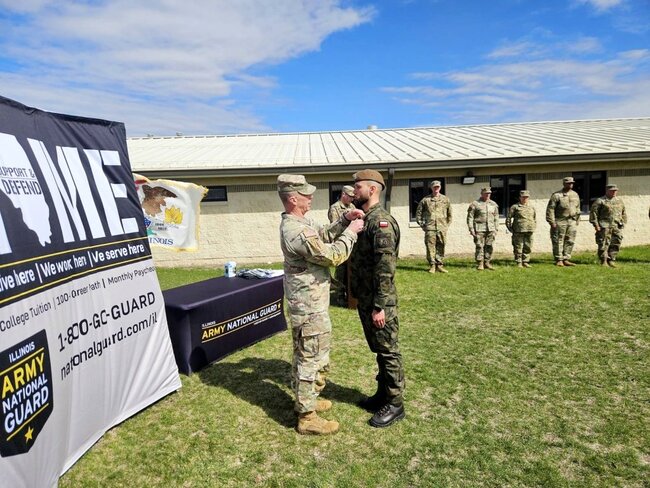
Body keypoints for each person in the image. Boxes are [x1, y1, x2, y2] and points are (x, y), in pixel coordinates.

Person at [277, 174, 365, 435]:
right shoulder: (295, 230)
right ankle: (307, 417)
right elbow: (332, 255)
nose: (311, 197)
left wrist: (344, 220)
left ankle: (307, 401)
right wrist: (351, 232)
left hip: (312, 302)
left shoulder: (302, 223)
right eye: (306, 194)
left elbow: (323, 234)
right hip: (308, 306)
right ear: (293, 199)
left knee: (308, 354)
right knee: (311, 357)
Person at [349, 169, 405, 428]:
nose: (354, 191)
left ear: (372, 190)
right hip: (367, 298)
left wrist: (379, 306)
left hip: (379, 302)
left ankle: (395, 404)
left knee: (389, 351)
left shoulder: (381, 222)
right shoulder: (366, 219)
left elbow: (385, 269)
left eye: (357, 187)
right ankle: (383, 394)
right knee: (379, 350)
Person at [415, 180, 452, 273]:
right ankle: (432, 265)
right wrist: (423, 225)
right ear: (431, 188)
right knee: (430, 246)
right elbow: (418, 213)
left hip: (442, 227)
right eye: (434, 187)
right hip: (430, 228)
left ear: (440, 187)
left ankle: (439, 265)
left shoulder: (445, 199)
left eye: (438, 187)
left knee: (441, 245)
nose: (436, 188)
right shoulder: (425, 200)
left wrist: (446, 225)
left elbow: (450, 214)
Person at [328, 185, 357, 305]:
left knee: (351, 271)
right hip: (340, 242)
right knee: (341, 271)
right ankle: (339, 295)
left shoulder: (352, 207)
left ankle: (350, 295)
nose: (351, 199)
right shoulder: (335, 208)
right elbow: (335, 227)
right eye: (350, 196)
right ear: (343, 194)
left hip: (351, 242)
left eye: (353, 197)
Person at [546, 176, 581, 267]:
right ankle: (559, 259)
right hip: (560, 221)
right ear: (564, 184)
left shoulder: (575, 195)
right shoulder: (556, 195)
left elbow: (578, 207)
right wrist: (552, 222)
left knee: (570, 240)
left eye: (572, 183)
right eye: (568, 183)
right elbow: (550, 209)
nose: (570, 185)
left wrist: (577, 219)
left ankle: (566, 258)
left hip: (572, 221)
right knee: (558, 240)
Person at [589, 184, 627, 267]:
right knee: (603, 243)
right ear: (607, 191)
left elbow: (623, 212)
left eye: (615, 191)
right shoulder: (600, 201)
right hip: (604, 226)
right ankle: (604, 260)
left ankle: (612, 259)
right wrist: (596, 225)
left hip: (616, 225)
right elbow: (593, 213)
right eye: (612, 191)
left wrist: (623, 222)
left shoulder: (619, 201)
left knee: (616, 242)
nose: (614, 192)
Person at [467, 187, 499, 270]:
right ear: (482, 194)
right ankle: (480, 263)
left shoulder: (493, 204)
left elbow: (496, 217)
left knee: (489, 246)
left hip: (490, 229)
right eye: (486, 193)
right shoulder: (475, 204)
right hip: (479, 229)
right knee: (479, 246)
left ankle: (487, 262)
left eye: (489, 193)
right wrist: (471, 229)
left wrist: (496, 229)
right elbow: (470, 218)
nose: (488, 195)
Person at [505, 190, 536, 268]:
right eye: (523, 197)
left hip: (529, 229)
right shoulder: (515, 207)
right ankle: (519, 261)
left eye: (526, 197)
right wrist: (510, 228)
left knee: (528, 246)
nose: (525, 198)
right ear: (520, 197)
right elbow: (508, 218)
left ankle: (525, 261)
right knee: (518, 246)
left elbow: (534, 218)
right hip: (518, 230)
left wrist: (533, 226)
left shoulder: (531, 207)